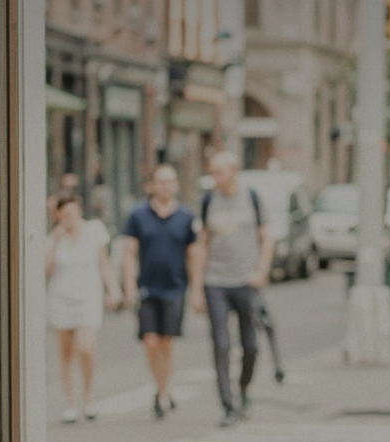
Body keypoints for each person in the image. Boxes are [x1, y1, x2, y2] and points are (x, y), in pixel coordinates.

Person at [116, 164, 199, 417]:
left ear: (176, 185)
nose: (166, 186)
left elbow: (193, 255)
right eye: (161, 181)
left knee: (166, 342)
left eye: (170, 181)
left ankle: (163, 390)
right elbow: (129, 253)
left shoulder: (186, 216)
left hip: (175, 287)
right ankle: (160, 389)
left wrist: (197, 289)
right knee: (150, 340)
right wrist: (129, 285)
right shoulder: (138, 215)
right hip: (147, 288)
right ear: (151, 185)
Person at [198, 151, 274, 424]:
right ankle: (227, 406)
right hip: (215, 281)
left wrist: (261, 272)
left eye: (219, 172)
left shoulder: (252, 198)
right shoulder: (209, 200)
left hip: (246, 281)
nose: (214, 178)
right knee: (221, 344)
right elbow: (202, 245)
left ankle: (243, 389)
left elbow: (267, 238)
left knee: (251, 345)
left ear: (233, 171)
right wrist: (197, 288)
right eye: (212, 172)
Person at [44, 189, 114, 423]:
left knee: (85, 346)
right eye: (63, 215)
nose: (68, 219)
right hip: (60, 297)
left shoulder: (94, 230)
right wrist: (55, 241)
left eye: (71, 214)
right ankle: (71, 404)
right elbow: (46, 271)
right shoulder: (54, 237)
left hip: (87, 297)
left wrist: (113, 289)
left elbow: (104, 264)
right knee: (65, 352)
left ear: (79, 211)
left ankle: (89, 396)